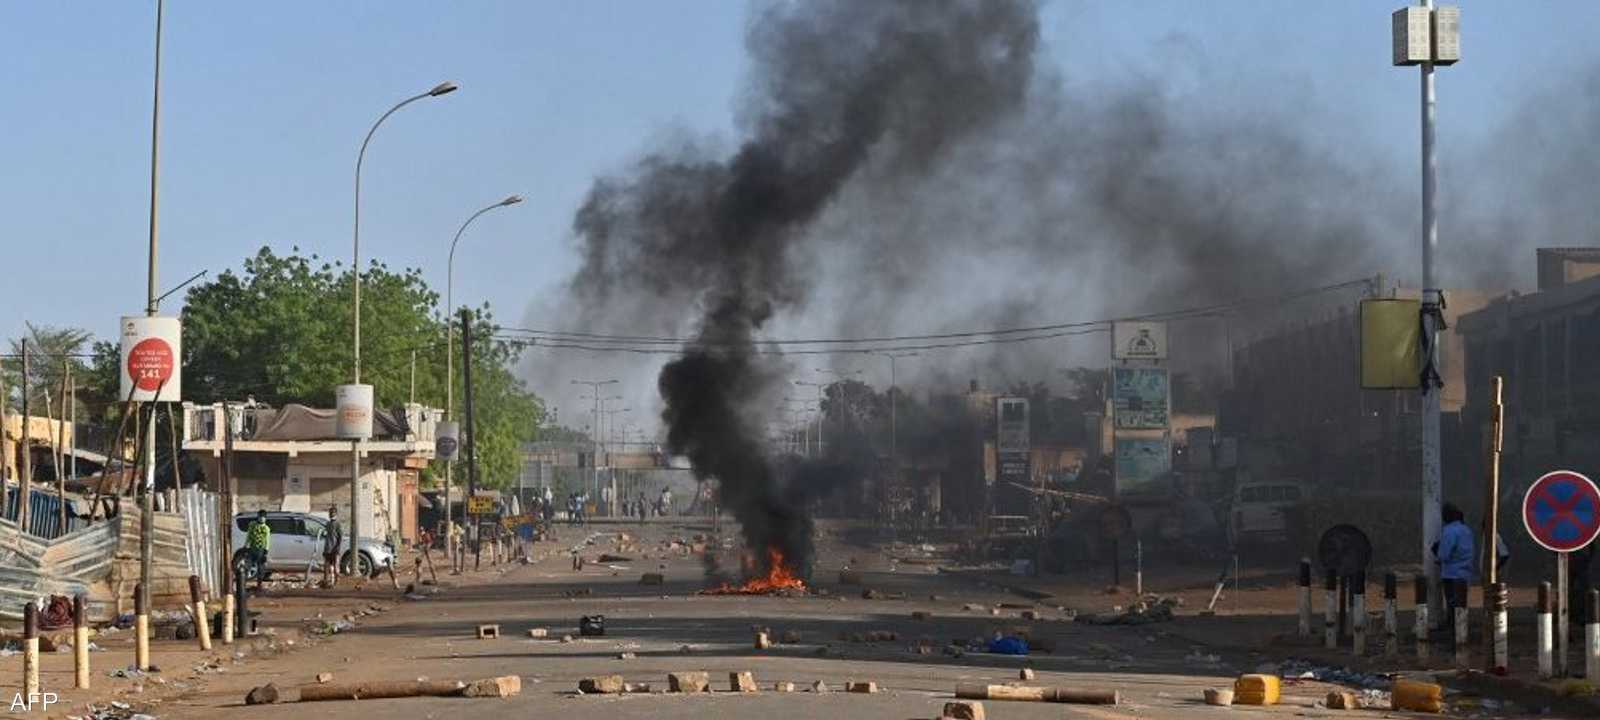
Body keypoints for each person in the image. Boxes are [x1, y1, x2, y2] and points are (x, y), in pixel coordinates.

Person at [1433, 503, 1474, 640]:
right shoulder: (1466, 529)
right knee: (1461, 603)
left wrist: (1437, 554)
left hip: (1451, 573)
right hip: (1465, 573)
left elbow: (1444, 554)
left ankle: (1453, 632)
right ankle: (1462, 630)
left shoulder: (1449, 531)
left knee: (1451, 603)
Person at [245, 510, 272, 591]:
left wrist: (266, 551)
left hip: (261, 549)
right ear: (258, 517)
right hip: (252, 548)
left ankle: (259, 585)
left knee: (260, 568)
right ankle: (244, 583)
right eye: (260, 517)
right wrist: (246, 545)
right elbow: (249, 535)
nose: (262, 519)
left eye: (263, 517)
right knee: (248, 565)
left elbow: (267, 540)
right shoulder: (253, 525)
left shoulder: (266, 528)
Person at [322, 506, 344, 589]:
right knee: (326, 566)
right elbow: (326, 536)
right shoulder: (328, 524)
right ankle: (326, 582)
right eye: (330, 513)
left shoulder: (337, 524)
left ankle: (336, 582)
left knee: (335, 567)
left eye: (333, 513)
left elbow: (340, 537)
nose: (331, 514)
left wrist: (337, 547)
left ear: (336, 514)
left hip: (334, 549)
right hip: (327, 549)